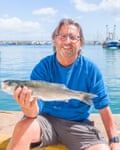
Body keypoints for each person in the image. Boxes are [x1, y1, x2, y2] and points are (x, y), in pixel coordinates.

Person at [7, 18, 120, 150]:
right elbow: (33, 113)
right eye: (62, 36)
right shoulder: (43, 67)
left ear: (80, 42)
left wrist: (113, 139)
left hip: (79, 125)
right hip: (46, 121)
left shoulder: (91, 70)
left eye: (73, 37)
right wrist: (27, 106)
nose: (67, 41)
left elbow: (103, 106)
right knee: (22, 128)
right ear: (55, 40)